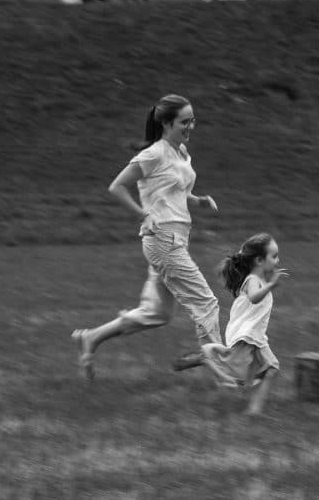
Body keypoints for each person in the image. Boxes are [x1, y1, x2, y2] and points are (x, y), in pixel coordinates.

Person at [72, 94, 222, 379]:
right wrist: (144, 214)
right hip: (162, 239)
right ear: (166, 123)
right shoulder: (153, 154)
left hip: (175, 238)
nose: (190, 127)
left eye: (193, 121)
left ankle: (91, 338)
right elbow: (116, 187)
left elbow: (173, 189)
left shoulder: (181, 153)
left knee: (158, 313)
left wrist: (197, 200)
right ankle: (223, 373)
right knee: (206, 303)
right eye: (184, 122)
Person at [201, 233, 290, 415]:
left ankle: (254, 410)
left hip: (256, 336)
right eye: (273, 256)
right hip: (245, 335)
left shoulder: (260, 279)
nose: (278, 260)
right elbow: (254, 298)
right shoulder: (251, 280)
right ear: (259, 260)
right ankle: (208, 356)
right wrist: (272, 284)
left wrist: (270, 280)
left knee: (271, 368)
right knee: (233, 379)